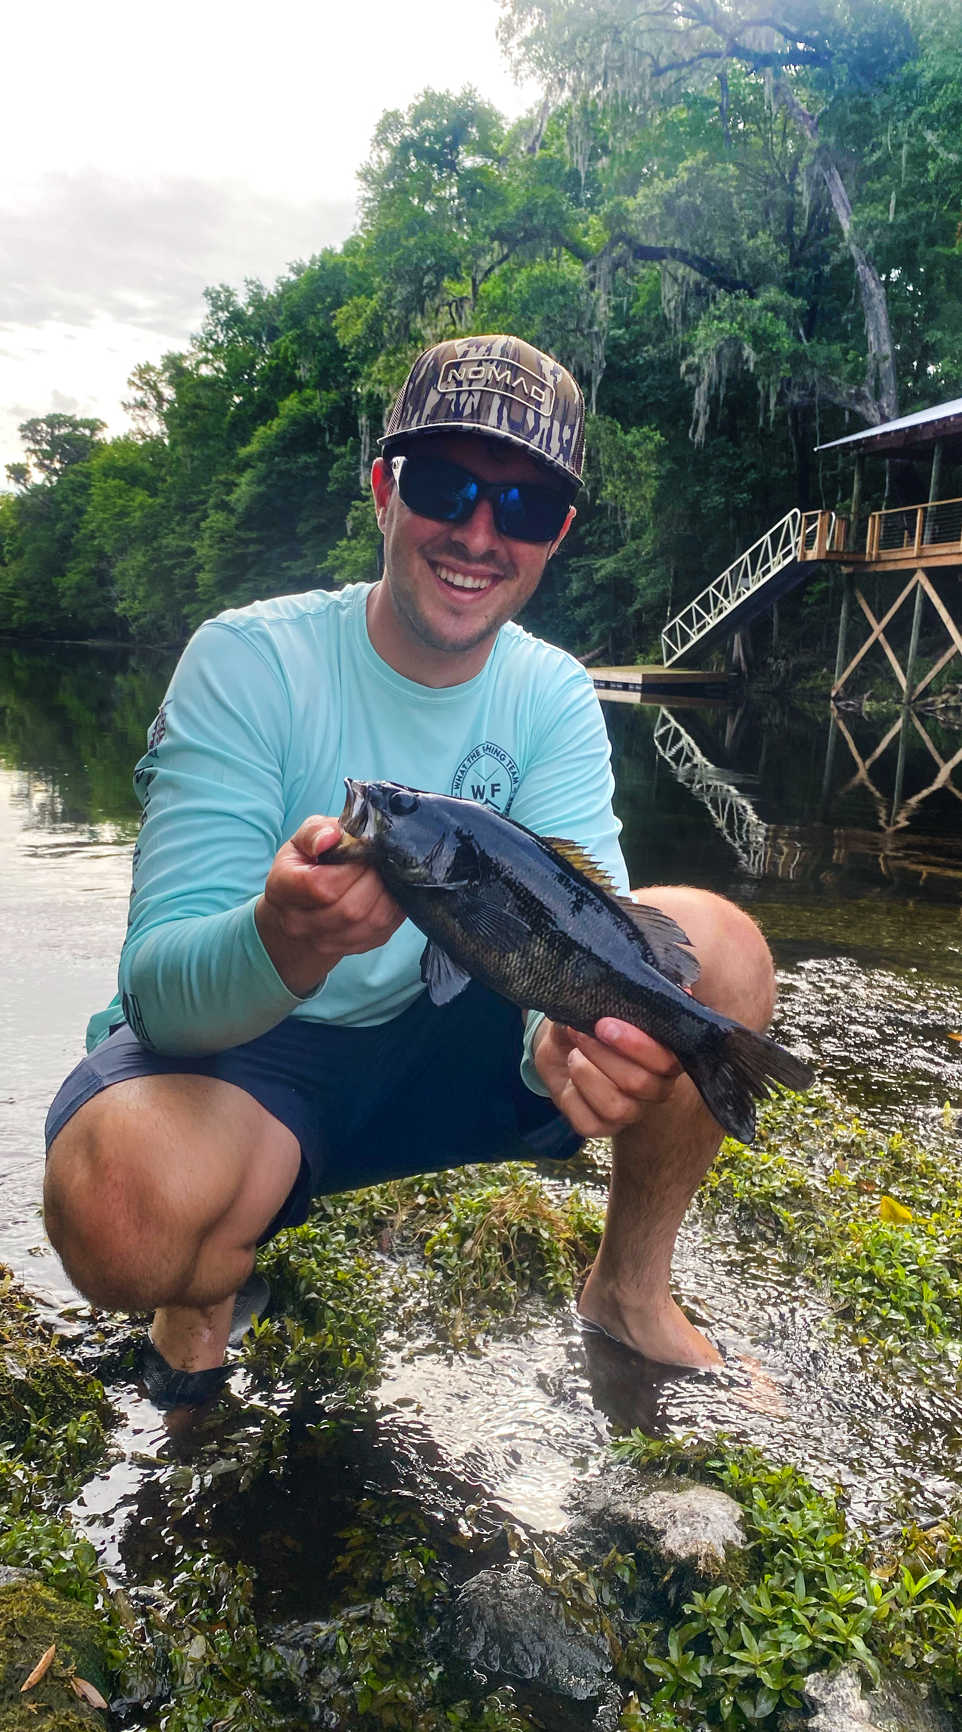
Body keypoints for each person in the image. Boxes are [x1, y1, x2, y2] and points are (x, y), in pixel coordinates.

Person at [42, 333, 775, 1408]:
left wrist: (573, 1042)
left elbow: (589, 921)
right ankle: (195, 1298)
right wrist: (279, 940)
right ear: (385, 487)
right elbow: (158, 985)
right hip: (254, 1062)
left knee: (721, 953)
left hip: (459, 1031)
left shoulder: (553, 693)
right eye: (447, 485)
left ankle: (629, 1291)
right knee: (117, 1203)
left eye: (522, 507)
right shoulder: (247, 661)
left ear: (556, 535)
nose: (480, 532)